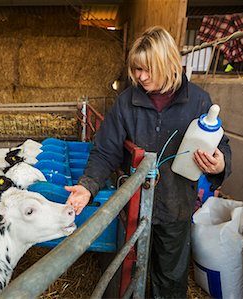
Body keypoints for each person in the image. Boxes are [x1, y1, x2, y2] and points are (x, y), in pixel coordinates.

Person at [65, 26, 231, 298]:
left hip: (176, 204)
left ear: (167, 64)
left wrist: (220, 163)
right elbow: (105, 151)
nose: (140, 77)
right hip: (133, 206)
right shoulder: (126, 103)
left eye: (147, 70)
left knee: (170, 277)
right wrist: (87, 185)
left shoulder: (198, 101)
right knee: (129, 271)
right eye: (136, 69)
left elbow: (220, 144)